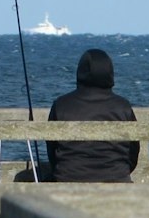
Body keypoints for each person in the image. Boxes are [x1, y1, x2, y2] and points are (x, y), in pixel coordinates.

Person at [46, 49, 140, 182]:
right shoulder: (123, 106)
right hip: (116, 183)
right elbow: (133, 154)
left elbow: (53, 153)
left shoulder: (61, 105)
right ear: (110, 74)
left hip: (69, 183)